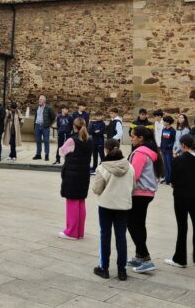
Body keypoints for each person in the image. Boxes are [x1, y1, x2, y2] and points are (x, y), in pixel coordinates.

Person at [92, 139, 135, 281]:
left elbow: (97, 189)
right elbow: (133, 187)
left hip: (106, 205)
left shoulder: (103, 167)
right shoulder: (130, 167)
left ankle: (104, 268)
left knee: (105, 235)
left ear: (106, 150)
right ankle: (122, 271)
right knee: (121, 237)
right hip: (123, 206)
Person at [166, 134, 195, 268]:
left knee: (182, 227)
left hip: (181, 197)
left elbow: (172, 181)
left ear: (183, 145)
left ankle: (180, 259)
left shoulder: (178, 160)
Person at [127, 126, 163, 274]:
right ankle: (139, 255)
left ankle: (146, 259)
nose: (131, 139)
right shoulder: (152, 152)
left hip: (139, 193)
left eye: (133, 136)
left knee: (133, 224)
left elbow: (133, 175)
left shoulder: (140, 153)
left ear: (140, 138)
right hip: (146, 193)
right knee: (139, 224)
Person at [59, 119, 92, 240]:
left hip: (72, 175)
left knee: (72, 202)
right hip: (84, 174)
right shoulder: (90, 140)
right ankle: (79, 231)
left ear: (74, 127)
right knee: (81, 202)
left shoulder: (72, 140)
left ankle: (71, 232)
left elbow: (61, 152)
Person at [32, 95, 55, 161]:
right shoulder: (37, 107)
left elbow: (53, 117)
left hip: (45, 127)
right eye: (39, 99)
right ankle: (38, 154)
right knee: (38, 140)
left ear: (44, 101)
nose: (39, 100)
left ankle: (46, 155)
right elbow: (36, 116)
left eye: (41, 99)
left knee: (46, 141)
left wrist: (50, 124)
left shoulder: (49, 108)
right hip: (37, 125)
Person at [159, 116, 176, 185]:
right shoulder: (163, 129)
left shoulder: (172, 131)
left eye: (165, 121)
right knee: (165, 165)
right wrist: (160, 148)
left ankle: (171, 179)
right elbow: (162, 139)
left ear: (168, 123)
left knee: (169, 165)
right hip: (163, 150)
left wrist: (169, 146)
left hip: (169, 151)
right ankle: (166, 178)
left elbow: (174, 141)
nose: (163, 122)